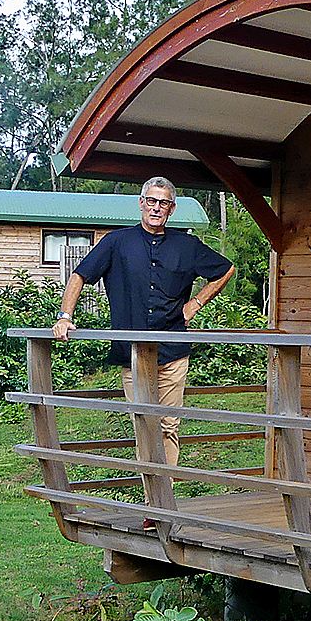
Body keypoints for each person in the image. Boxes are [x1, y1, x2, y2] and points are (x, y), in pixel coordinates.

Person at [52, 176, 235, 466]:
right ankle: (153, 496)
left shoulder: (186, 245)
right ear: (141, 203)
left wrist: (195, 303)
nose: (156, 208)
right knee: (144, 425)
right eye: (151, 201)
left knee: (168, 426)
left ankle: (162, 503)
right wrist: (64, 317)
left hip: (174, 353)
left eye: (163, 203)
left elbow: (225, 269)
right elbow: (80, 275)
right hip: (133, 354)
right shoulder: (116, 242)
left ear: (172, 209)